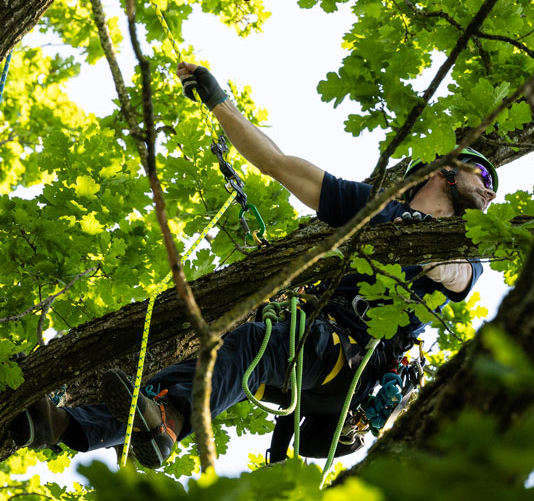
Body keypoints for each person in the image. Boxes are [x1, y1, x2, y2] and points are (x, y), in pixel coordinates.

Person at [9, 63, 498, 468]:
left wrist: (426, 247)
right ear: (444, 169)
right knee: (222, 351)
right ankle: (67, 427)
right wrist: (218, 99)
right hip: (310, 341)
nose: (491, 190)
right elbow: (278, 164)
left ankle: (168, 419)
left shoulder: (468, 248)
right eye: (482, 173)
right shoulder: (374, 206)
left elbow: (454, 277)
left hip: (347, 360)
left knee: (260, 342)